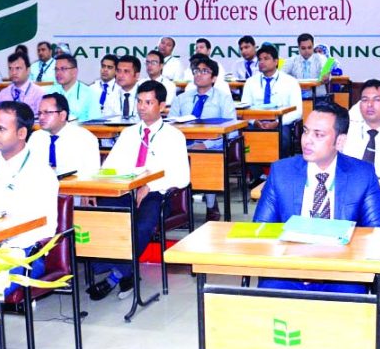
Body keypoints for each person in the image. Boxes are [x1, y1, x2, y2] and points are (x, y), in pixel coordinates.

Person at [253, 103, 380, 293]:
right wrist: (298, 262)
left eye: (318, 135)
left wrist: (330, 263)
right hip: (289, 269)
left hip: (342, 272)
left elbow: (378, 233)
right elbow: (260, 229)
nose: (307, 141)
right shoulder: (281, 171)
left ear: (340, 141)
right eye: (306, 132)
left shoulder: (362, 174)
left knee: (352, 303)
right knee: (266, 299)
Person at [87, 81, 190, 301]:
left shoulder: (174, 136)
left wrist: (150, 185)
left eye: (148, 102)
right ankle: (126, 272)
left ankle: (115, 276)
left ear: (162, 106)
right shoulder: (128, 133)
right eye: (139, 101)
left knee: (141, 225)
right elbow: (109, 168)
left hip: (156, 195)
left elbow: (182, 177)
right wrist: (96, 187)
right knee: (98, 217)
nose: (142, 107)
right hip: (124, 190)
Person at [0, 101, 58, 296]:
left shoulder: (40, 171)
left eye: (1, 129)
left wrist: (1, 227)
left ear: (21, 133)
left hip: (24, 252)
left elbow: (45, 225)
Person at [168, 56, 235, 221]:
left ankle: (211, 205)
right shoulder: (182, 98)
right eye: (196, 71)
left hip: (211, 146)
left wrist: (206, 144)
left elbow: (232, 132)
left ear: (213, 78)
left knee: (206, 159)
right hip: (184, 144)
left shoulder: (223, 98)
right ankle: (179, 207)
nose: (199, 74)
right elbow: (168, 126)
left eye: (204, 71)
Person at [241, 44, 303, 155]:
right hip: (256, 123)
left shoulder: (290, 81)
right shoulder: (250, 82)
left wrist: (277, 122)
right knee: (245, 142)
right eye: (259, 59)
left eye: (266, 59)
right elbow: (245, 109)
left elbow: (297, 112)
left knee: (283, 140)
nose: (262, 62)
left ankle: (280, 170)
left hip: (281, 123)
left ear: (276, 62)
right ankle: (257, 172)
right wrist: (254, 122)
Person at [27, 93, 101, 178]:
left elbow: (92, 173)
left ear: (62, 115)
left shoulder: (85, 138)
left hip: (74, 188)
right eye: (39, 113)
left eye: (47, 112)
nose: (41, 117)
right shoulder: (35, 137)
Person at [44, 53, 101, 122]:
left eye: (63, 69)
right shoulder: (51, 92)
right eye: (56, 69)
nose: (58, 73)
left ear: (74, 71)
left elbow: (96, 124)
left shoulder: (89, 94)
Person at [282, 33, 330, 99]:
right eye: (303, 48)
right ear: (298, 47)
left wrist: (326, 76)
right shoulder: (292, 60)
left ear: (313, 46)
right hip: (297, 99)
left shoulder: (322, 58)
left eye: (309, 47)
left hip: (319, 99)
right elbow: (280, 76)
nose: (307, 51)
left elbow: (326, 76)